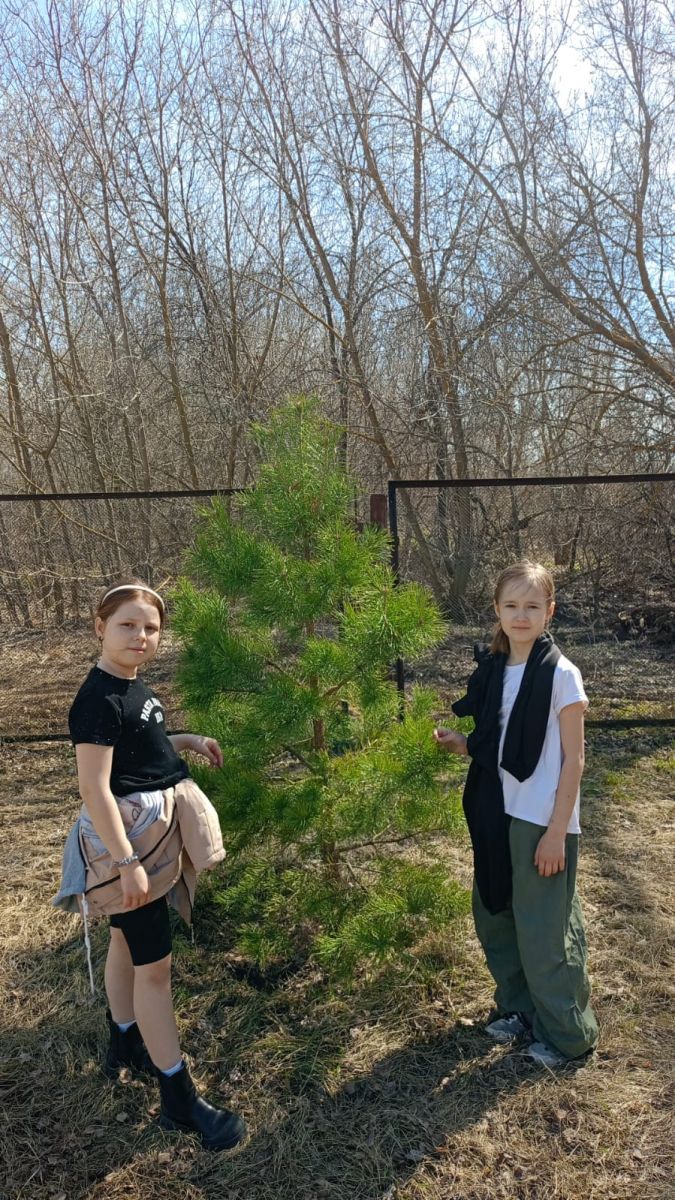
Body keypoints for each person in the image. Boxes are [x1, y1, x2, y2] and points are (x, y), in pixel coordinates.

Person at [54, 579, 246, 1150]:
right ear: (100, 627)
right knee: (156, 971)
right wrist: (127, 862)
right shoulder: (98, 699)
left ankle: (124, 1040)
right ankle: (178, 1099)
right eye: (127, 625)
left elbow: (140, 750)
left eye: (151, 628)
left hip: (147, 842)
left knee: (125, 942)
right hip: (131, 846)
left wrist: (186, 741)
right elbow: (95, 788)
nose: (140, 636)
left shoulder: (132, 685)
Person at [434, 560, 598, 1068]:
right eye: (511, 605)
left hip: (539, 819)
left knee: (544, 926)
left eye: (532, 606)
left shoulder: (562, 675)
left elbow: (574, 759)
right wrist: (465, 744)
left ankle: (567, 1035)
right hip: (495, 809)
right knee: (496, 913)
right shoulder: (495, 669)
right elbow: (499, 741)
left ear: (550, 611)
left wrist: (555, 833)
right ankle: (521, 1009)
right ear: (497, 611)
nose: (521, 615)